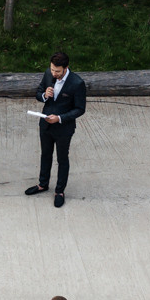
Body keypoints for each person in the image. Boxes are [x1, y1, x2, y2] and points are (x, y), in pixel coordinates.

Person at [26, 51, 87, 208]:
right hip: (45, 124)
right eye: (52, 69)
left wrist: (59, 118)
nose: (54, 73)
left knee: (62, 159)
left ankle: (60, 191)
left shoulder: (77, 83)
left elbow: (80, 109)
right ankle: (42, 184)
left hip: (63, 128)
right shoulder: (48, 74)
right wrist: (45, 95)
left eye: (57, 71)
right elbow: (38, 93)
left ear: (66, 68)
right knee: (45, 155)